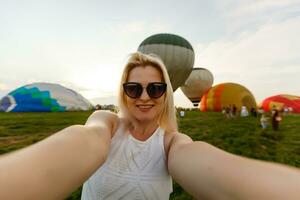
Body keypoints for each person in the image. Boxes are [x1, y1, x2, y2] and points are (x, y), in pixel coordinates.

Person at [0, 52, 300, 200]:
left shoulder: (172, 143)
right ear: (123, 92)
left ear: (167, 93)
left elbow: (204, 162)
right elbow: (82, 142)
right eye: (134, 89)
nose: (144, 97)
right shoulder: (105, 124)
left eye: (155, 89)